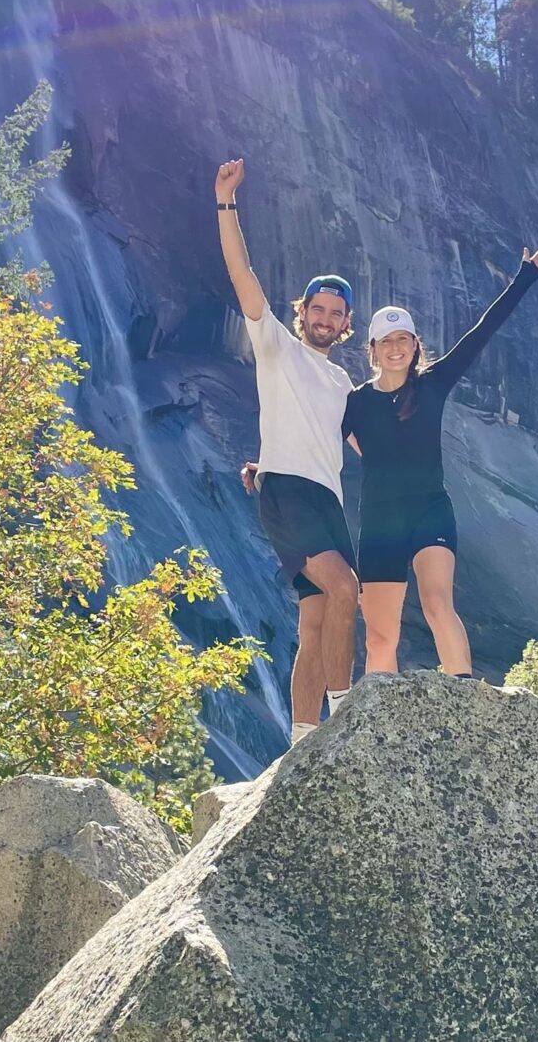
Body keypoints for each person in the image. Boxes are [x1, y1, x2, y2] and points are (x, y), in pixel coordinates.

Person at [347, 249, 538, 677]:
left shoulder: (432, 383)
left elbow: (482, 332)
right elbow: (322, 439)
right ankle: (377, 725)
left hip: (430, 511)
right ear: (372, 350)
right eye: (385, 342)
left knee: (438, 604)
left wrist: (526, 276)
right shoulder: (354, 403)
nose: (395, 348)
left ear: (414, 345)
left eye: (402, 339)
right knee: (379, 636)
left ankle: (463, 696)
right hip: (381, 520)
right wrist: (266, 465)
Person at [215, 157, 360, 745]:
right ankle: (350, 714)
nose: (324, 319)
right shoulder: (274, 341)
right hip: (287, 492)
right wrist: (226, 202)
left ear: (346, 325)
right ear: (301, 312)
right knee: (346, 589)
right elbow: (241, 271)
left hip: (325, 500)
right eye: (316, 309)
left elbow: (372, 442)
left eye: (336, 314)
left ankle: (303, 740)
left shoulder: (345, 384)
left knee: (318, 618)